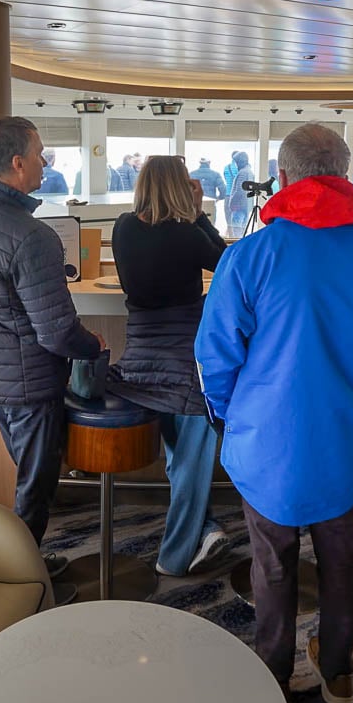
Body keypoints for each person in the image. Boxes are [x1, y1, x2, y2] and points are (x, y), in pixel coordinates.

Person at [196, 123, 353, 703]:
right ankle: (339, 669)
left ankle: (271, 674)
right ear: (346, 174)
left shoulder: (248, 255)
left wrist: (231, 413)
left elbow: (215, 356)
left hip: (265, 433)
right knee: (340, 552)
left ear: (286, 176)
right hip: (342, 430)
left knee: (272, 562)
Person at [0, 116, 105, 607]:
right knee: (34, 490)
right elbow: (57, 331)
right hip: (30, 383)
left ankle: (24, 561)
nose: (45, 161)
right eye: (40, 153)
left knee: (28, 474)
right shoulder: (32, 237)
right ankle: (20, 584)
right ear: (18, 163)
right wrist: (94, 347)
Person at [109, 156, 228, 576]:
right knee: (189, 458)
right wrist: (199, 216)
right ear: (182, 189)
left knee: (182, 458)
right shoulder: (186, 235)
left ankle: (207, 527)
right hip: (184, 363)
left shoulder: (123, 227)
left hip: (139, 361)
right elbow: (225, 264)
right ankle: (173, 558)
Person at [226, 150, 255, 237]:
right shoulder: (249, 172)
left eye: (236, 162)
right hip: (245, 206)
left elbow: (239, 191)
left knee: (237, 233)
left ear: (240, 162)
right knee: (243, 232)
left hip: (238, 207)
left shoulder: (243, 173)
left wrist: (231, 203)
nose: (236, 164)